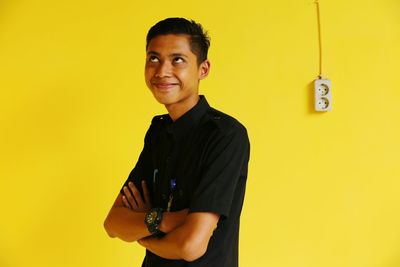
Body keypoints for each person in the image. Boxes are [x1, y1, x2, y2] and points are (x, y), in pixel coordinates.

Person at [104, 17, 250, 267]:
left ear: (203, 69)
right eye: (153, 59)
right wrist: (163, 220)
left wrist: (143, 233)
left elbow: (190, 246)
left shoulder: (225, 135)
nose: (161, 71)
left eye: (177, 60)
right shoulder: (159, 132)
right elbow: (113, 223)